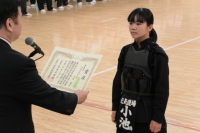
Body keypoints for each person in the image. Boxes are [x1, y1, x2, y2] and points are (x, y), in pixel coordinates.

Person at [0, 0, 89, 132]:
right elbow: (48, 97)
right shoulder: (18, 63)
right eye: (21, 18)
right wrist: (76, 98)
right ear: (9, 24)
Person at [111, 8, 169, 133]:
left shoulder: (157, 54)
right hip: (126, 110)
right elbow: (118, 81)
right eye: (131, 23)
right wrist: (115, 107)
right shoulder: (126, 50)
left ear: (150, 27)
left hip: (146, 114)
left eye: (138, 24)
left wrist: (157, 118)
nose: (133, 27)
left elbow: (162, 88)